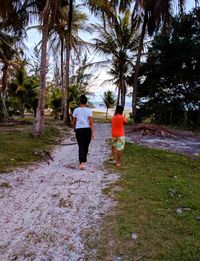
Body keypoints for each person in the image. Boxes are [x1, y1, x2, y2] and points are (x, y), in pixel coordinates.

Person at [72, 95, 94, 170]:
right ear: (86, 102)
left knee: (81, 145)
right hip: (87, 130)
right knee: (85, 145)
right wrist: (93, 132)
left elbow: (74, 121)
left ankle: (83, 160)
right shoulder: (89, 110)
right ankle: (82, 162)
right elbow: (91, 123)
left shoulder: (76, 110)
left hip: (79, 130)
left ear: (80, 101)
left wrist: (74, 128)